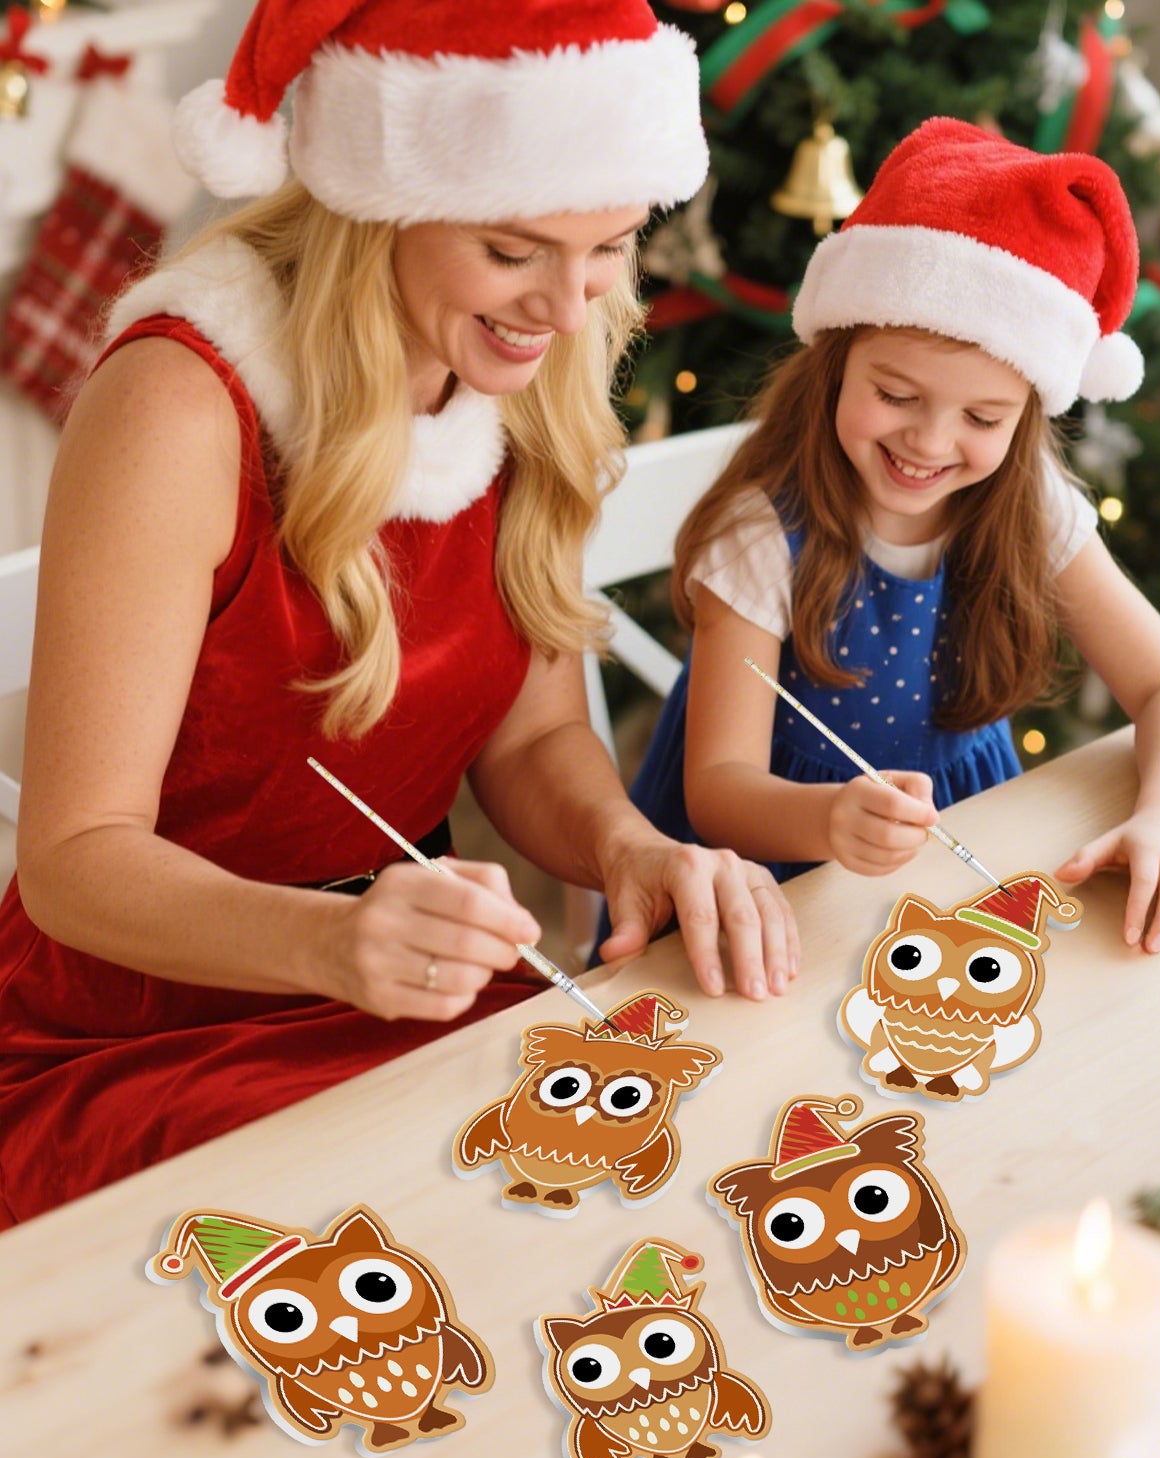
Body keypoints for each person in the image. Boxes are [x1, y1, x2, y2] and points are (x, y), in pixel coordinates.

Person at [0, 0, 797, 1230]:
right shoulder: (179, 406)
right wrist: (331, 946)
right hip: (132, 1032)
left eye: (607, 248)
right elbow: (71, 866)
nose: (571, 308)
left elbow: (531, 744)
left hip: (401, 988)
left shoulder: (523, 381)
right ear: (381, 196)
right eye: (515, 248)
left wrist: (626, 845)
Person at [628, 119, 1160, 954]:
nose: (931, 443)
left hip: (962, 865)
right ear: (837, 361)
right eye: (897, 395)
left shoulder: (1029, 505)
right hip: (773, 891)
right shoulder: (762, 533)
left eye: (982, 417)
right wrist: (831, 818)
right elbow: (717, 789)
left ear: (1027, 416)